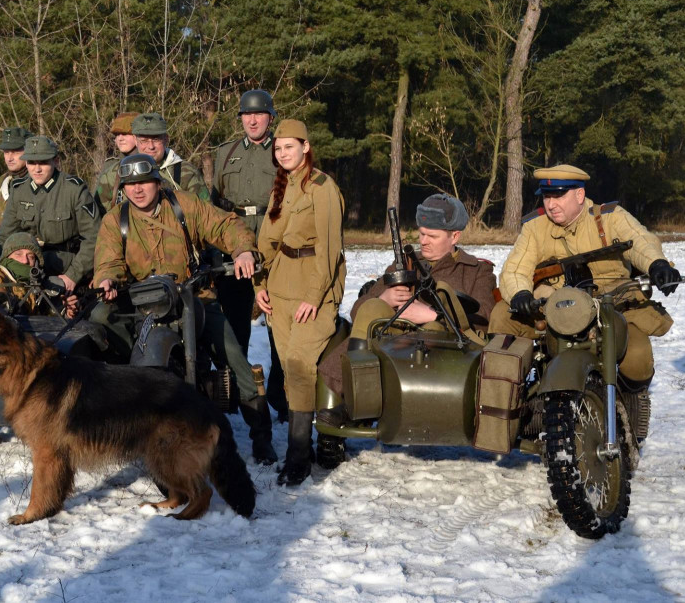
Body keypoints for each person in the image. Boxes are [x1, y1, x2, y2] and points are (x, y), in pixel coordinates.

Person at [92, 153, 277, 464]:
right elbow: (108, 260)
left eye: (144, 182)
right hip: (143, 303)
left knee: (231, 352)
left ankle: (261, 435)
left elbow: (225, 225)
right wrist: (107, 279)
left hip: (195, 295)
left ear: (157, 182)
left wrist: (243, 250)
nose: (138, 190)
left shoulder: (183, 204)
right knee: (99, 326)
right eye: (130, 184)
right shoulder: (115, 220)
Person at [489, 164, 680, 396]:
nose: (550, 204)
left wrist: (656, 264)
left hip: (613, 304)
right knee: (502, 317)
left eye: (558, 196)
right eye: (547, 197)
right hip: (558, 307)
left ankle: (629, 403)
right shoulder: (535, 227)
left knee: (638, 357)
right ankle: (507, 399)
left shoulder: (609, 218)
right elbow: (515, 269)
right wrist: (520, 294)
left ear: (580, 195)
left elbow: (640, 241)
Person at [317, 193, 496, 425]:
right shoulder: (405, 263)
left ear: (455, 236)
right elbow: (358, 312)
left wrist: (435, 315)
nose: (424, 241)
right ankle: (355, 401)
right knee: (372, 307)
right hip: (390, 346)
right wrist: (385, 297)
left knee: (431, 327)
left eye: (433, 235)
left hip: (446, 358)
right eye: (421, 233)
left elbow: (485, 317)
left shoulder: (475, 271)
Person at [255, 119, 346, 486]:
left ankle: (298, 460)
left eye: (289, 147)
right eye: (277, 149)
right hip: (280, 287)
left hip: (315, 287)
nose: (282, 154)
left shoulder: (322, 188)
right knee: (291, 376)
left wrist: (314, 297)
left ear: (306, 147)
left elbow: (329, 249)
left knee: (299, 365)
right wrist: (259, 285)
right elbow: (267, 241)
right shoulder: (281, 187)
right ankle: (302, 448)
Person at [212, 89, 288, 421]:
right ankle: (235, 393)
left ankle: (281, 394)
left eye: (259, 114)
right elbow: (215, 204)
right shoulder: (225, 153)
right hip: (233, 246)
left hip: (274, 243)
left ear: (270, 117)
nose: (252, 120)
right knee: (234, 321)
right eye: (246, 114)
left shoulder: (282, 152)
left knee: (278, 323)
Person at [0, 135, 100, 295]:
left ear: (55, 161)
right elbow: (4, 237)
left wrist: (73, 276)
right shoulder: (19, 190)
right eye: (31, 163)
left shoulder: (74, 190)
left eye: (43, 162)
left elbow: (94, 238)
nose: (37, 169)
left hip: (66, 266)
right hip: (28, 265)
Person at [109, 112, 212, 207]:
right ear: (135, 140)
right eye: (144, 140)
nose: (151, 146)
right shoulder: (116, 173)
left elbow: (207, 215)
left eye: (156, 139)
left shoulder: (186, 173)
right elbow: (101, 219)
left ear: (166, 139)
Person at [0, 126, 32, 244]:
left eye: (16, 151)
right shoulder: (1, 182)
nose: (10, 158)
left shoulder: (37, 183)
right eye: (6, 152)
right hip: (0, 251)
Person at [93, 111, 140, 215]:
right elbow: (98, 208)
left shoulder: (154, 163)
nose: (120, 138)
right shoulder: (110, 166)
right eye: (117, 135)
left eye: (125, 133)